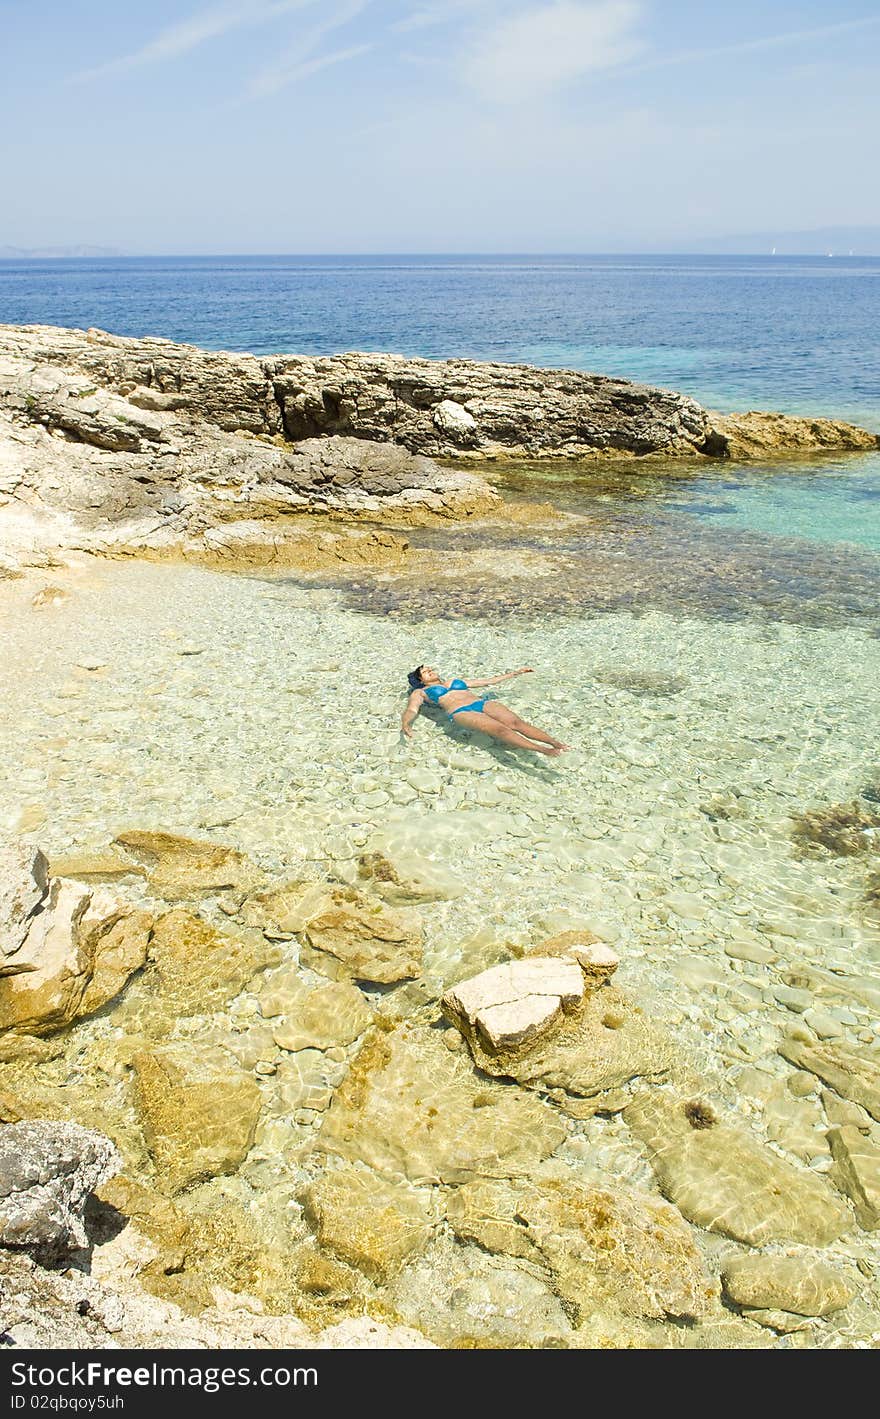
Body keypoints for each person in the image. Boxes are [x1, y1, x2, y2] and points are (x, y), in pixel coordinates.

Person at [401, 664, 570, 757]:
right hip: (461, 712)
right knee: (500, 730)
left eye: (429, 669)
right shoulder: (420, 692)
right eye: (425, 672)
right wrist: (406, 724)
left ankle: (554, 742)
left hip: (481, 703)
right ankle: (541, 750)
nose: (430, 671)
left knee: (516, 723)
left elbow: (488, 681)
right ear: (420, 680)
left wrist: (515, 673)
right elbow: (412, 709)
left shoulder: (454, 681)